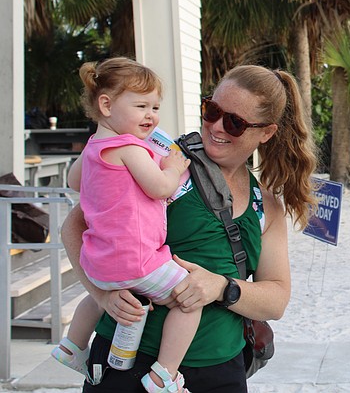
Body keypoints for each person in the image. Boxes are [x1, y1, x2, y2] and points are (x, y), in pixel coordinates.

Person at [61, 64, 318, 392]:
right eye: (212, 110)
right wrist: (101, 295)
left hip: (222, 369)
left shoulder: (263, 204)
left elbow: (276, 299)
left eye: (235, 123)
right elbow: (74, 226)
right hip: (128, 362)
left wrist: (221, 287)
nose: (216, 127)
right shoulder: (162, 161)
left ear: (265, 132)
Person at [52, 57, 194, 392]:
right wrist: (172, 167)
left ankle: (72, 346)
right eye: (142, 105)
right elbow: (161, 187)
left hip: (99, 262)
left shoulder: (93, 148)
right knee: (188, 300)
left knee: (98, 298)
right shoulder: (130, 147)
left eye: (155, 107)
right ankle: (164, 375)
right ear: (106, 104)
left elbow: (74, 181)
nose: (152, 116)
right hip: (137, 260)